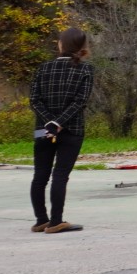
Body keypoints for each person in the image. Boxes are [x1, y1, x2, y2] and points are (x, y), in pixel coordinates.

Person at [29, 28, 94, 234]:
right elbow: (80, 102)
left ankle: (41, 220)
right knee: (60, 175)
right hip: (71, 130)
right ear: (82, 47)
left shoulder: (43, 68)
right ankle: (56, 221)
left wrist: (49, 123)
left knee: (40, 175)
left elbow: (34, 100)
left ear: (61, 45)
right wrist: (59, 123)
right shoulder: (86, 70)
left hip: (42, 130)